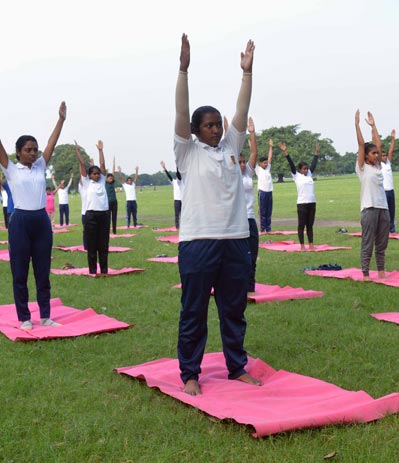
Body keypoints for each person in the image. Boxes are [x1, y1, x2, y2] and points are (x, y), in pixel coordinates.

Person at [174, 34, 262, 396]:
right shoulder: (186, 152)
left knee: (233, 309)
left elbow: (241, 111)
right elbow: (181, 111)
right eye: (207, 125)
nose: (215, 129)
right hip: (198, 241)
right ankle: (190, 373)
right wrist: (183, 70)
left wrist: (246, 74)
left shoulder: (231, 148)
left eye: (217, 125)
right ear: (195, 131)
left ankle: (236, 366)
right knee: (194, 309)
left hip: (235, 240)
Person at [0, 93, 66, 330]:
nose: (34, 153)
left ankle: (46, 316)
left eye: (35, 150)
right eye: (28, 150)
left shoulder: (40, 166)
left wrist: (60, 120)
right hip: (20, 222)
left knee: (42, 272)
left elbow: (52, 143)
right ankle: (25, 318)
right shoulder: (11, 169)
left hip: (40, 221)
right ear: (18, 152)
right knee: (19, 272)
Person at [355, 110, 391, 280]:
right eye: (373, 153)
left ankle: (382, 271)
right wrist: (357, 126)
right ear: (366, 156)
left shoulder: (378, 167)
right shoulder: (362, 168)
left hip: (383, 207)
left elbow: (378, 144)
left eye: (377, 154)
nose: (377, 155)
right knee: (368, 242)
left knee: (382, 243)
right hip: (369, 208)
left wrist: (373, 125)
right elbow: (362, 145)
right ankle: (366, 272)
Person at [76, 143, 110, 274]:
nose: (97, 175)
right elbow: (83, 165)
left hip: (104, 215)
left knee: (103, 245)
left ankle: (104, 270)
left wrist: (101, 150)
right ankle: (92, 270)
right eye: (94, 174)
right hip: (91, 216)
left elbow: (102, 165)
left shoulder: (102, 181)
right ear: (89, 175)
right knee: (92, 245)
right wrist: (78, 152)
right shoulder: (86, 183)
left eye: (98, 174)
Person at [280, 141, 319, 251]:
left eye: (307, 169)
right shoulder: (296, 176)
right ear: (300, 169)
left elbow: (314, 164)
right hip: (302, 204)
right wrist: (285, 152)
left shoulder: (309, 174)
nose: (306, 170)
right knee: (301, 225)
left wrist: (316, 153)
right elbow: (291, 163)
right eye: (304, 169)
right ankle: (302, 246)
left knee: (310, 225)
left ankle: (311, 245)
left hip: (312, 202)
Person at [240, 117, 261, 293]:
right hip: (235, 222)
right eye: (238, 162)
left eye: (242, 161)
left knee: (252, 255)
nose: (241, 164)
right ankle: (236, 286)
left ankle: (250, 287)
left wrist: (252, 133)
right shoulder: (229, 175)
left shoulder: (247, 173)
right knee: (238, 257)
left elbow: (254, 153)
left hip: (250, 219)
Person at [254, 137, 274, 233]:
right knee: (263, 212)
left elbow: (270, 157)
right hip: (262, 193)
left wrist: (270, 146)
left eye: (267, 163)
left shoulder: (268, 168)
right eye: (264, 163)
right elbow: (253, 156)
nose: (266, 164)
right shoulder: (258, 169)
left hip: (269, 192)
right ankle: (262, 229)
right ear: (260, 163)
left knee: (269, 211)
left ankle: (268, 229)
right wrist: (251, 147)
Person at [160, 161, 183, 229]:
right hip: (177, 200)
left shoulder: (182, 181)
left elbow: (179, 175)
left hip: (183, 200)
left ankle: (184, 226)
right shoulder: (174, 182)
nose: (178, 176)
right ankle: (177, 227)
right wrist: (164, 168)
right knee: (177, 215)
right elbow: (170, 176)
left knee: (184, 215)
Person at [382, 129, 398, 233]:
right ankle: (383, 229)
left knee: (392, 210)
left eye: (385, 155)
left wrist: (393, 139)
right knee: (384, 212)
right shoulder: (378, 165)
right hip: (383, 191)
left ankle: (391, 228)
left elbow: (391, 151)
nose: (384, 157)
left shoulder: (387, 163)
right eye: (382, 155)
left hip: (391, 190)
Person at [105, 168, 119, 235]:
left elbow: (113, 173)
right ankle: (107, 230)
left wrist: (114, 164)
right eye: (110, 178)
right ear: (107, 178)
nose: (111, 179)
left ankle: (114, 231)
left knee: (114, 217)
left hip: (114, 202)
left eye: (112, 178)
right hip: (108, 203)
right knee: (107, 218)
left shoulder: (113, 183)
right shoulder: (105, 183)